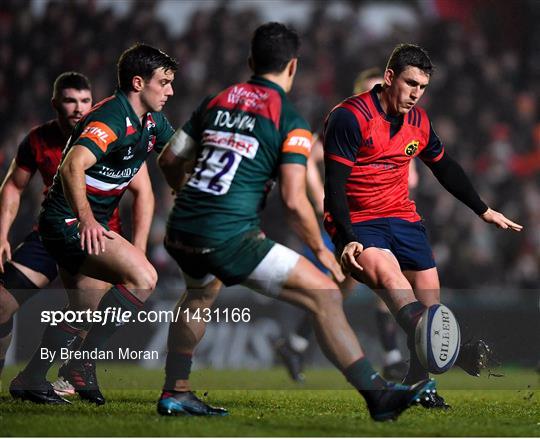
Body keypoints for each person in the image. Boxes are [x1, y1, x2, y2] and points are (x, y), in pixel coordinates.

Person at [156, 23, 434, 422]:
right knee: (323, 293)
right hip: (230, 234)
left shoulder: (216, 101)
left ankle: (175, 392)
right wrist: (324, 248)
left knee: (198, 295)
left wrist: (186, 193)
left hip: (181, 228)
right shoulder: (289, 119)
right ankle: (378, 396)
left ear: (251, 62)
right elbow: (293, 197)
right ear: (292, 67)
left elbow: (169, 159)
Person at [323, 43, 522, 409]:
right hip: (359, 222)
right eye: (410, 83)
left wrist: (482, 209)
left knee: (429, 290)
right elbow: (334, 184)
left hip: (402, 217)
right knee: (391, 278)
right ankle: (457, 352)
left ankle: (421, 383)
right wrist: (347, 237)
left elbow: (444, 167)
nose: (415, 93)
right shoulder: (349, 117)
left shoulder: (419, 121)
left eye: (423, 87)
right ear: (388, 78)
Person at [9, 44, 177, 405]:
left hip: (81, 224)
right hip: (68, 221)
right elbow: (72, 166)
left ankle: (31, 379)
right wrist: (86, 219)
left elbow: (179, 156)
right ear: (138, 82)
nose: (170, 90)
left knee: (84, 312)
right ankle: (80, 365)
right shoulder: (111, 118)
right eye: (163, 82)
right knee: (144, 279)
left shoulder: (151, 122)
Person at [275, 67, 410, 383]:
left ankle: (295, 344)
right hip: (356, 218)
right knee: (377, 279)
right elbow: (307, 156)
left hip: (381, 215)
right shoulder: (346, 122)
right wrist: (322, 195)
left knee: (344, 287)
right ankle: (391, 357)